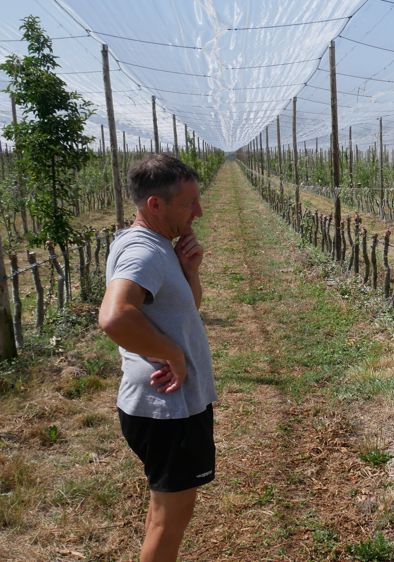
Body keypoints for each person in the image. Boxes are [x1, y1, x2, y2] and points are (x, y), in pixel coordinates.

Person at [99, 153, 215, 562]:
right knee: (171, 520)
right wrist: (172, 354)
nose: (198, 212)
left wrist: (189, 272)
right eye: (189, 203)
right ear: (155, 205)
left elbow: (184, 311)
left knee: (163, 511)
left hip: (163, 408)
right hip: (168, 410)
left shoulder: (157, 246)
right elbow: (114, 316)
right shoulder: (143, 251)